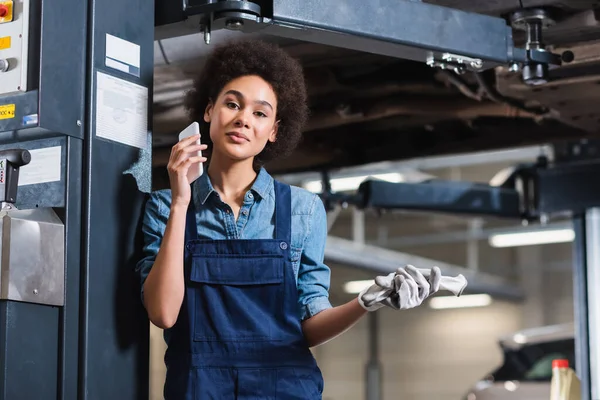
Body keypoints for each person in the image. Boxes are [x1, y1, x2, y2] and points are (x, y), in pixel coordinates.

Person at [136, 38, 441, 399]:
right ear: (208, 111)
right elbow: (163, 314)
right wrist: (181, 202)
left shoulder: (302, 210)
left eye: (260, 113)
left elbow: (308, 325)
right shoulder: (165, 207)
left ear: (274, 131)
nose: (243, 119)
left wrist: (365, 301)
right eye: (232, 104)